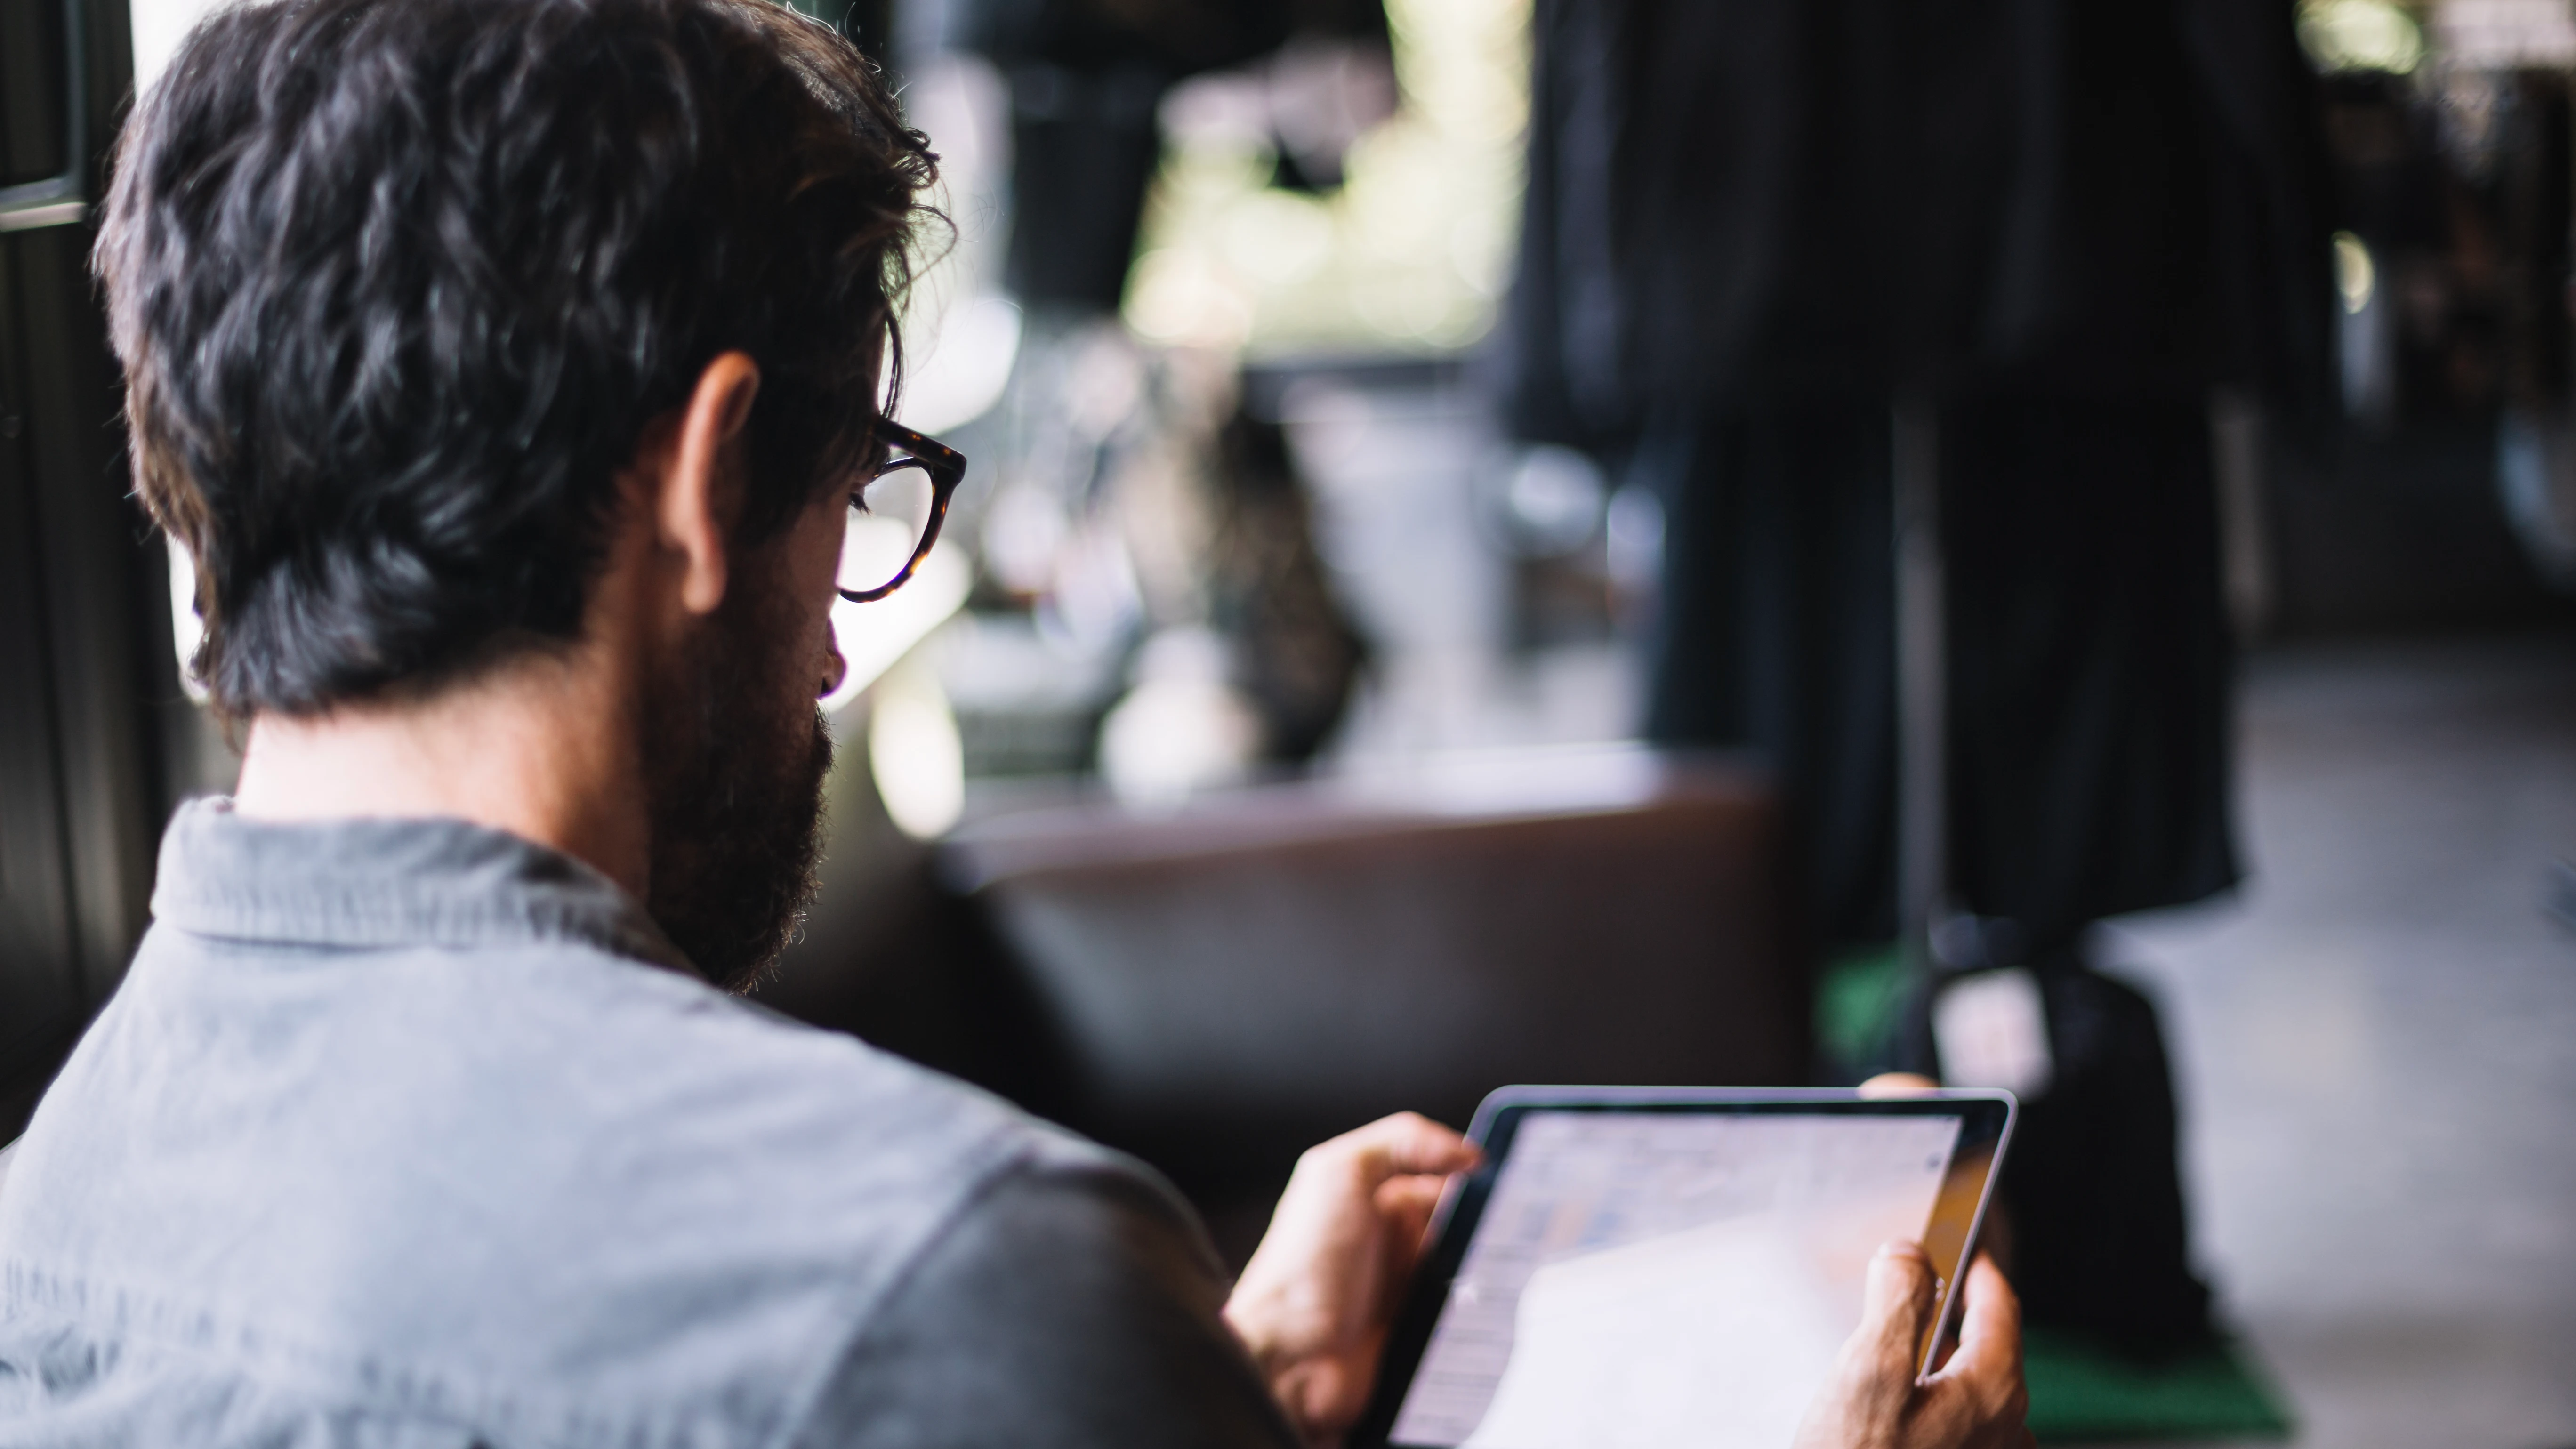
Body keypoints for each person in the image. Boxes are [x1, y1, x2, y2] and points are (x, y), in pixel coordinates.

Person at [0, 2, 2029, 1445]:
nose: (823, 653)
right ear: (713, 486)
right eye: (856, 489)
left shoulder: (44, 1218)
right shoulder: (950, 1269)